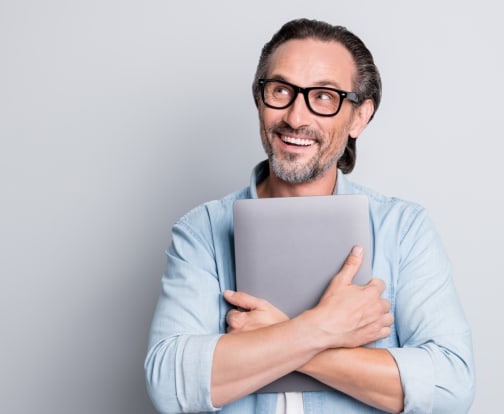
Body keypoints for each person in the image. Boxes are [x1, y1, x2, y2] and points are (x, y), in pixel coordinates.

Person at [145, 18, 475, 414]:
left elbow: (452, 387)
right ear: (259, 100)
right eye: (281, 91)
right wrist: (321, 329)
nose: (296, 117)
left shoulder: (403, 229)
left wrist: (278, 339)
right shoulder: (201, 231)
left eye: (323, 96)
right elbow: (169, 386)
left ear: (359, 117)